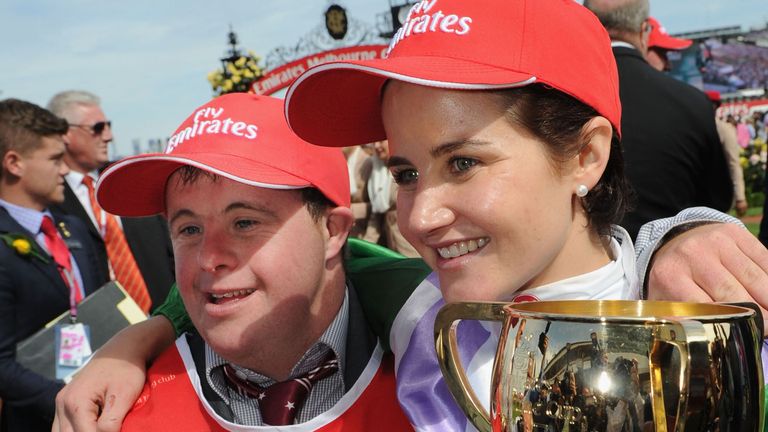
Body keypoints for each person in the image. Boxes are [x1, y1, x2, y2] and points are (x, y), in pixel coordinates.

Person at [54, 1, 768, 431]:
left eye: (463, 162)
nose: (420, 216)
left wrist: (677, 238)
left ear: (585, 157)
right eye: (404, 172)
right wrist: (136, 340)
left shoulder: (718, 329)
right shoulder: (421, 310)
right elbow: (270, 277)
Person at [66, 93, 411, 430]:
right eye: (189, 229)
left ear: (332, 231)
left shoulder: (439, 378)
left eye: (245, 223)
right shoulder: (116, 413)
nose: (209, 258)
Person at [583, 0, 733, 240]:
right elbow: (717, 201)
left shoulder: (556, 100)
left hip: (587, 271)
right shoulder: (692, 102)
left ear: (585, 24)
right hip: (668, 267)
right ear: (645, 31)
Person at [0, 99, 101, 431]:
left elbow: (98, 306)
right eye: (55, 160)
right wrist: (70, 399)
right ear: (14, 163)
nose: (64, 170)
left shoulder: (73, 228)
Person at [46, 91, 174, 312]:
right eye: (97, 128)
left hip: (169, 321)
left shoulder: (130, 180)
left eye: (108, 126)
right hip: (105, 331)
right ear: (65, 133)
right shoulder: (49, 199)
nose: (109, 136)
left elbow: (170, 250)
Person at [705, 90, 748, 217]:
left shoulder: (724, 128)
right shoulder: (693, 127)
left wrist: (740, 197)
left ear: (715, 106)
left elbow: (733, 163)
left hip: (718, 190)